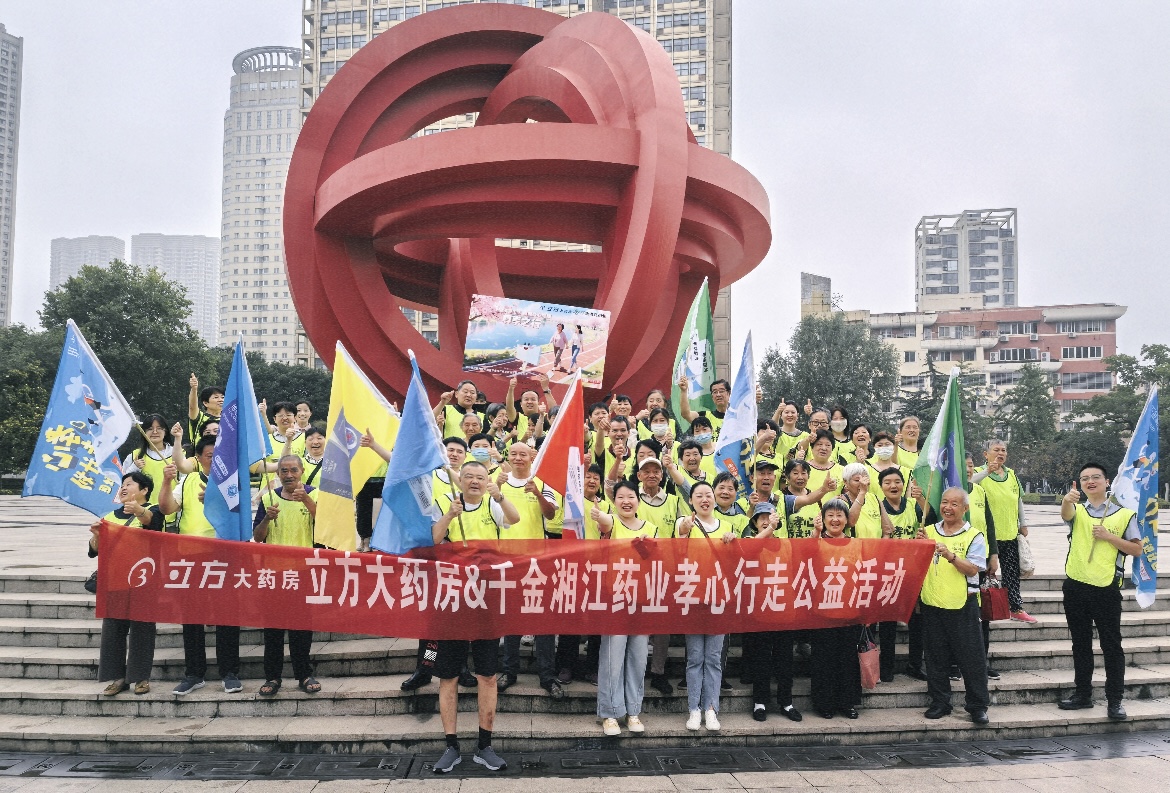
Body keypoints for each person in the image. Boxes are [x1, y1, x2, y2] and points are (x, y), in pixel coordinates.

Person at [429, 460, 519, 774]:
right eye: (468, 476)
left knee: (488, 676)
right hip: (452, 601)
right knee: (448, 676)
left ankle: (484, 745)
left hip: (486, 601)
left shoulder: (492, 504)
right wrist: (449, 516)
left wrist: (500, 495)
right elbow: (434, 538)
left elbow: (514, 518)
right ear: (460, 479)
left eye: (481, 477)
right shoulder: (446, 502)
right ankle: (451, 746)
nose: (474, 481)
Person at [1057, 463, 1143, 721]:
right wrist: (1066, 500)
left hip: (1106, 589)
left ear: (1107, 482)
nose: (1090, 481)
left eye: (1096, 477)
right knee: (1080, 643)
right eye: (1085, 478)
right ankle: (1083, 694)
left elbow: (1136, 549)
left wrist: (1109, 537)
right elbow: (1066, 514)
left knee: (1111, 645)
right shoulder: (1078, 510)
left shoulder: (1124, 515)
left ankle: (1115, 700)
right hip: (1076, 585)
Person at [157, 442, 244, 696]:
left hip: (223, 556)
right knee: (192, 616)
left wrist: (218, 501)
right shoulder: (188, 481)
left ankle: (229, 672)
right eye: (210, 455)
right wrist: (166, 482)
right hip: (191, 557)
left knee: (226, 614)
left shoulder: (233, 481)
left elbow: (242, 518)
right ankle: (194, 674)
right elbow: (166, 508)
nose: (215, 459)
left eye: (220, 455)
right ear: (197, 458)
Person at [918, 487, 991, 725]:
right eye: (944, 502)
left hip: (962, 604)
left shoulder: (974, 536)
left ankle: (977, 706)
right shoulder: (928, 531)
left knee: (971, 659)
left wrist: (950, 556)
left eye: (954, 504)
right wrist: (917, 546)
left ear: (965, 508)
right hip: (932, 602)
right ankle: (940, 702)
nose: (947, 508)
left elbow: (973, 569)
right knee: (935, 658)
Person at [495, 443, 561, 699]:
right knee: (511, 619)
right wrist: (496, 487)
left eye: (523, 454)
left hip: (537, 562)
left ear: (532, 457)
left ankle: (548, 676)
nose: (518, 458)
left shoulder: (542, 482)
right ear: (508, 457)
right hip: (507, 561)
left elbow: (551, 514)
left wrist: (539, 494)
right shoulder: (499, 481)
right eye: (514, 454)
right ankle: (508, 672)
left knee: (543, 621)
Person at [252, 455, 321, 697]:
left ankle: (304, 674)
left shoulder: (315, 494)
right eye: (284, 471)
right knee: (273, 630)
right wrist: (267, 518)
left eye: (293, 470)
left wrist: (308, 501)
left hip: (303, 572)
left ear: (302, 471)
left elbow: (326, 528)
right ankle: (272, 677)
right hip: (274, 574)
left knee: (301, 628)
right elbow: (258, 537)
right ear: (278, 474)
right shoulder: (268, 498)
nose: (289, 475)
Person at [91, 471, 163, 696]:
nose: (123, 488)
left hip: (144, 581)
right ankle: (117, 678)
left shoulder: (153, 510)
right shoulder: (109, 516)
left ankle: (141, 677)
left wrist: (138, 510)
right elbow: (94, 550)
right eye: (122, 485)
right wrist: (96, 535)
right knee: (113, 631)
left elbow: (153, 523)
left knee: (142, 629)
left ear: (144, 490)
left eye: (129, 484)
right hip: (115, 581)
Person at [673, 481, 735, 732]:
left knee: (713, 659)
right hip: (693, 599)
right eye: (698, 495)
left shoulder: (727, 527)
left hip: (718, 600)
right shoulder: (685, 523)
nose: (704, 499)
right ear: (691, 500)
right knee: (695, 658)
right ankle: (693, 709)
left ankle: (710, 708)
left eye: (708, 495)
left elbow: (734, 562)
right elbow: (679, 538)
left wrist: (733, 542)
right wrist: (684, 528)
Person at [593, 480, 649, 736]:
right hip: (615, 600)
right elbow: (605, 522)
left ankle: (633, 710)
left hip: (642, 601)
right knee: (612, 659)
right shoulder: (612, 524)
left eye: (631, 496)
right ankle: (609, 713)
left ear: (638, 499)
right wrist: (599, 515)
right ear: (613, 501)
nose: (626, 501)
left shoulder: (651, 528)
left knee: (638, 657)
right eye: (620, 497)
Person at [971, 439, 1037, 623]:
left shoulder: (1012, 474)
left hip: (1009, 533)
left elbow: (1018, 500)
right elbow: (967, 484)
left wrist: (1023, 523)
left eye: (1003, 450)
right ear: (986, 454)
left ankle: (1016, 608)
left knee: (1011, 574)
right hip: (986, 536)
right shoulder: (978, 472)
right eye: (996, 450)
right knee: (982, 574)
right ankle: (979, 610)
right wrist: (987, 471)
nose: (1001, 453)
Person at [809, 499, 863, 719]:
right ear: (823, 519)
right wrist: (815, 532)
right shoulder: (818, 541)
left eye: (839, 515)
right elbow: (806, 558)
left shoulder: (855, 543)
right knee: (824, 659)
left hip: (849, 611)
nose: (835, 519)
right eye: (830, 515)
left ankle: (847, 702)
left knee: (847, 659)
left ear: (847, 520)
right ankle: (824, 703)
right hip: (823, 611)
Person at [876, 467, 928, 681]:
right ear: (881, 486)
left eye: (897, 481)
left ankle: (915, 665)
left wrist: (921, 498)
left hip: (913, 572)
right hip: (888, 574)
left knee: (917, 622)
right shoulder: (877, 508)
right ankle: (886, 667)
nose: (893, 486)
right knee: (887, 623)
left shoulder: (913, 505)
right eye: (887, 482)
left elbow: (931, 517)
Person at [124, 415, 174, 492]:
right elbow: (123, 481)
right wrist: (134, 467)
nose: (155, 432)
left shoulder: (177, 453)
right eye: (150, 429)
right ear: (144, 432)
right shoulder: (135, 455)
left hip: (171, 499)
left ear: (165, 431)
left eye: (159, 428)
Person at [677, 376, 731, 441]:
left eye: (721, 391)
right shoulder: (705, 416)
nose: (718, 395)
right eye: (715, 392)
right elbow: (686, 414)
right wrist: (684, 391)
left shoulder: (737, 417)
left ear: (729, 393)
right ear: (712, 397)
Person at [187, 373, 224, 439]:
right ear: (205, 403)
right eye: (216, 397)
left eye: (222, 397)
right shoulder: (199, 418)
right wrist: (194, 389)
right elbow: (192, 407)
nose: (221, 400)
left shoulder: (228, 420)